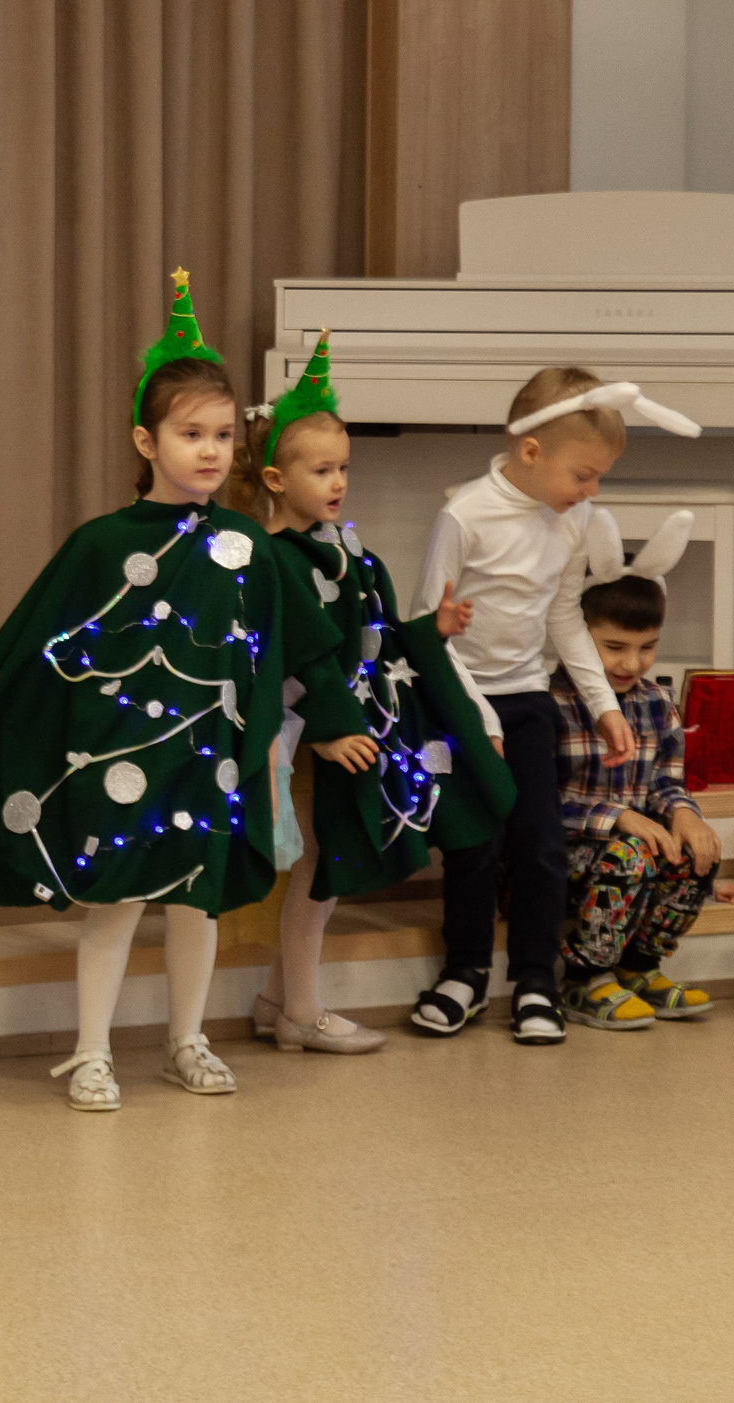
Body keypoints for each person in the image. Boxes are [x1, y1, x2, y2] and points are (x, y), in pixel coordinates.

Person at [0, 271, 300, 1111]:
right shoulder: (101, 544)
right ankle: (90, 1050)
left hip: (209, 758)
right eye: (190, 432)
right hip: (118, 755)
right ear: (145, 440)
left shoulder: (248, 542)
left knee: (195, 904)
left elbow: (270, 653)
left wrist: (265, 742)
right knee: (117, 898)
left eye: (223, 435)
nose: (210, 450)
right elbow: (33, 644)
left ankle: (186, 1039)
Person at [220, 332, 512, 1055]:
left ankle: (274, 1000)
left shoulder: (349, 549)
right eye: (321, 469)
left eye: (344, 466)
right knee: (321, 868)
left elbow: (370, 629)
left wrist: (429, 629)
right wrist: (324, 725)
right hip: (315, 736)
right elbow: (300, 650)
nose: (338, 481)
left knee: (325, 866)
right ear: (277, 479)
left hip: (357, 725)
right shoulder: (277, 558)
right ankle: (302, 1012)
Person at [408, 368, 702, 1044]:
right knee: (473, 846)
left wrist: (604, 706)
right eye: (584, 474)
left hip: (526, 700)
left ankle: (536, 979)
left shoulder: (573, 523)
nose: (593, 491)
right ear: (532, 452)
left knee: (541, 844)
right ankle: (465, 972)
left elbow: (566, 617)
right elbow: (428, 624)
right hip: (460, 706)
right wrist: (478, 720)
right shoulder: (465, 514)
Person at [552, 507, 732, 1030]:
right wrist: (618, 818)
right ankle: (585, 979)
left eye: (647, 648)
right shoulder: (551, 703)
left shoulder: (656, 702)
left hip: (631, 852)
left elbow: (664, 783)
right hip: (559, 860)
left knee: (695, 848)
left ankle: (638, 967)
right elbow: (539, 800)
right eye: (614, 648)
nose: (632, 664)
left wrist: (685, 816)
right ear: (577, 635)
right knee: (631, 851)